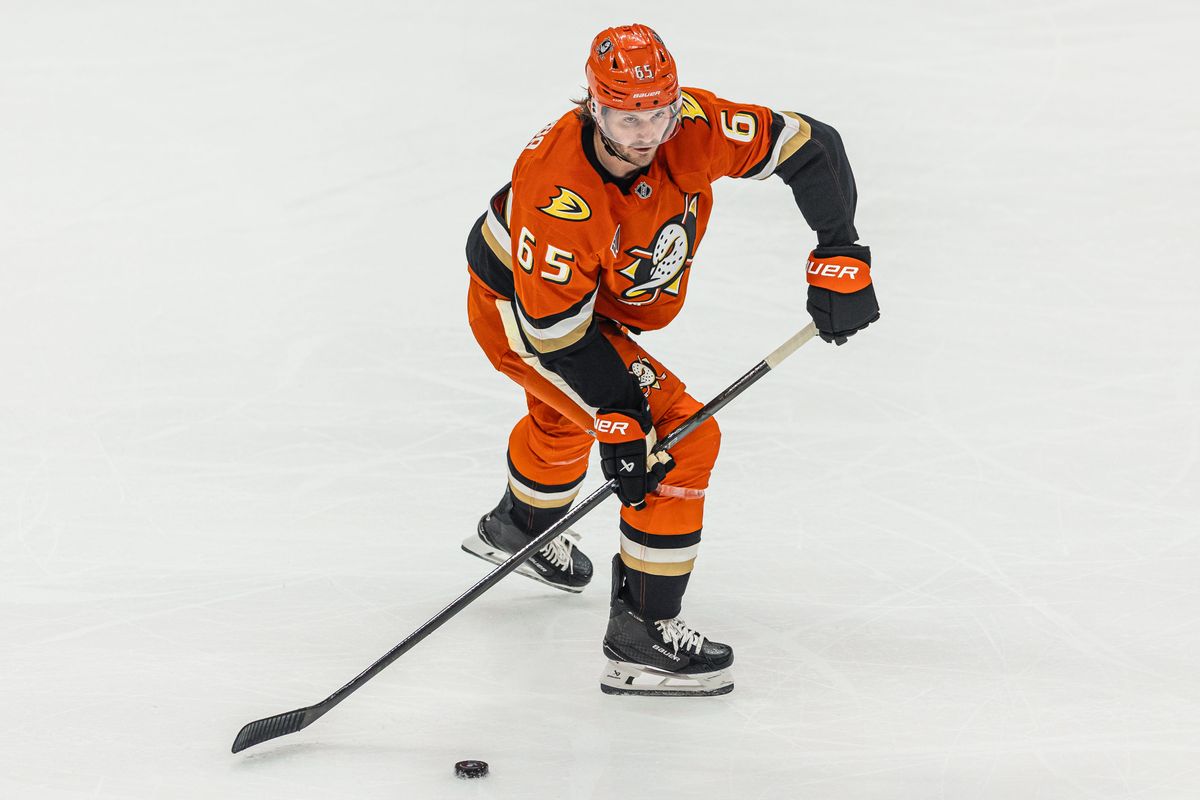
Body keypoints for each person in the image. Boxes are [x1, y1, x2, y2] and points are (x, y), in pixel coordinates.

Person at [461, 23, 878, 696]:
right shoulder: (558, 192)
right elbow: (557, 335)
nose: (644, 132)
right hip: (523, 314)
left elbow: (809, 145)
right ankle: (642, 635)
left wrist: (840, 250)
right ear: (592, 105)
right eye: (626, 116)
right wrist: (624, 417)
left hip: (586, 308)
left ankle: (521, 526)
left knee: (565, 418)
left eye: (657, 110)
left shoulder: (690, 123)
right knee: (679, 438)